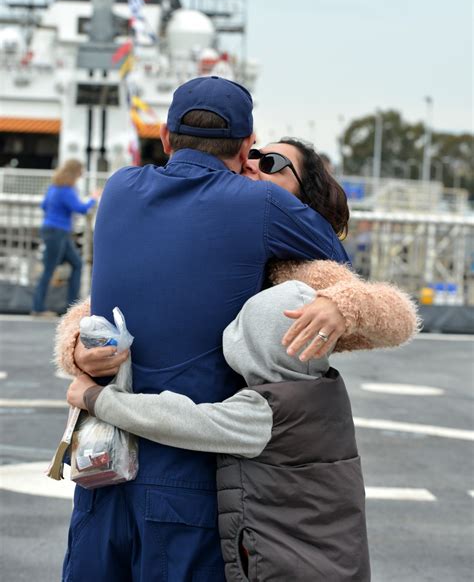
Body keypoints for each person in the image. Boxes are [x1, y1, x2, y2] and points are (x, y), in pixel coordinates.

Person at [56, 77, 416, 582]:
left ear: (165, 138)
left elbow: (106, 306)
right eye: (257, 155)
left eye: (274, 165)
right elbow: (335, 255)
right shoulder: (263, 209)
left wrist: (76, 349)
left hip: (104, 465)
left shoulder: (118, 188)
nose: (257, 167)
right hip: (190, 474)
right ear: (245, 145)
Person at [67, 278, 374, 581]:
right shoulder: (324, 394)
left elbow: (178, 420)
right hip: (331, 561)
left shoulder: (267, 414)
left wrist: (95, 398)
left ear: (261, 347)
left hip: (287, 567)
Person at [31, 159, 97, 317]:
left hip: (53, 229)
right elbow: (80, 208)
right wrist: (94, 198)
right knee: (49, 269)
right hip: (58, 231)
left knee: (77, 264)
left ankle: (70, 307)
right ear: (75, 172)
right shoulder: (66, 190)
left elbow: (44, 206)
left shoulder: (54, 187)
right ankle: (38, 307)